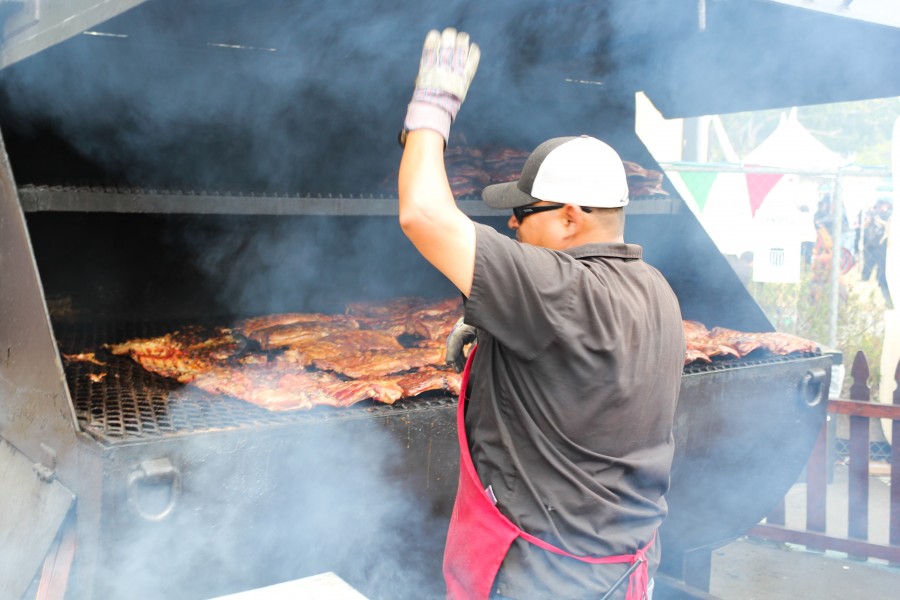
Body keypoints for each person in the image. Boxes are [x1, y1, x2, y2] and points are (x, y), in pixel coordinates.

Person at [397, 28, 684, 600]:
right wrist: (489, 325)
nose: (512, 223)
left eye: (526, 212)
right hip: (623, 574)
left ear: (572, 217)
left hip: (545, 583)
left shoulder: (558, 291)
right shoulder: (657, 291)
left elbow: (423, 214)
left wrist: (432, 109)